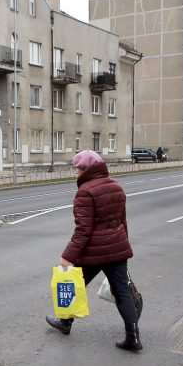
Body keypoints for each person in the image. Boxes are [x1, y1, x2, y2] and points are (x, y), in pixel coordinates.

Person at [45, 150, 142, 351]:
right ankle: (133, 337)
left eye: (78, 168)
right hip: (116, 250)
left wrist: (67, 257)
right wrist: (123, 244)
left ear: (87, 169)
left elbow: (83, 230)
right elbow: (122, 221)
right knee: (122, 292)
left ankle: (64, 323)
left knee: (75, 283)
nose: (75, 172)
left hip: (94, 253)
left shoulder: (85, 192)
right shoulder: (116, 186)